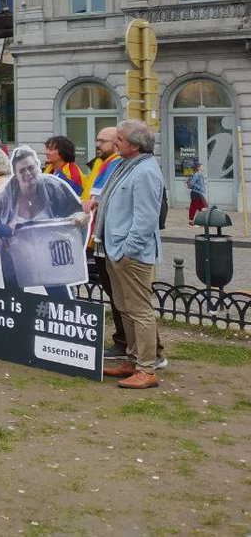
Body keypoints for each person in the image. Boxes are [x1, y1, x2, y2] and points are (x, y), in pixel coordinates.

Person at [87, 119, 166, 389]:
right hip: (114, 249)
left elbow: (145, 219)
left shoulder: (145, 172)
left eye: (119, 139)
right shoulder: (124, 165)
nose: (114, 143)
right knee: (125, 308)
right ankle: (133, 362)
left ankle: (147, 369)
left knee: (139, 310)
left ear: (134, 145)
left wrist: (126, 251)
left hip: (129, 255)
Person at [0, 146, 85, 297]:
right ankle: (18, 319)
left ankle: (60, 318)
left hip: (50, 255)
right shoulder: (5, 195)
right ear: (15, 175)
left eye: (31, 168)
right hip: (16, 257)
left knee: (60, 299)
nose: (28, 173)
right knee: (14, 300)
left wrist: (79, 219)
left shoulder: (54, 187)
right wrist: (6, 230)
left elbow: (77, 213)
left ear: (38, 167)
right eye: (22, 170)